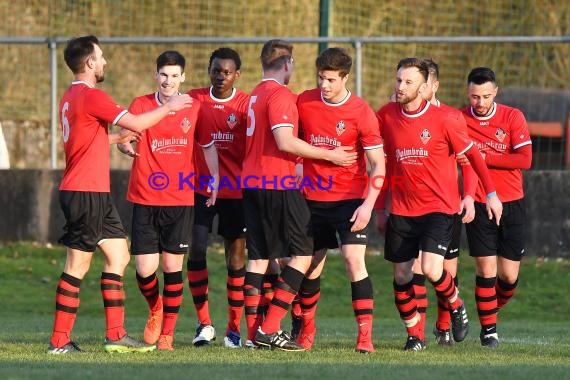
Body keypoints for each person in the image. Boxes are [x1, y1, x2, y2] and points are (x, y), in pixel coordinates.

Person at [48, 35, 192, 354]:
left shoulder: (71, 96)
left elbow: (86, 141)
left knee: (119, 256)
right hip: (84, 191)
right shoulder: (92, 96)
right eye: (100, 57)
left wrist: (116, 138)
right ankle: (59, 341)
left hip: (93, 192)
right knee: (77, 265)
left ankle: (115, 335)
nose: (104, 62)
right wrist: (169, 106)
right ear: (89, 63)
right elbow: (139, 120)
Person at [376, 57, 502, 351]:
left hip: (440, 209)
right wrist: (380, 207)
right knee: (402, 277)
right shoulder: (385, 116)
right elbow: (378, 162)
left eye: (408, 82)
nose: (400, 87)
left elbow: (473, 158)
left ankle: (456, 305)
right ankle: (414, 336)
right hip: (402, 209)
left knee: (432, 269)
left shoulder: (446, 118)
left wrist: (489, 194)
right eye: (398, 81)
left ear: (424, 87)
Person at [242, 39, 357, 351]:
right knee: (303, 254)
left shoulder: (254, 94)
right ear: (287, 65)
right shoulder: (280, 95)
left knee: (258, 259)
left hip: (250, 183)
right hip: (275, 183)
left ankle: (253, 335)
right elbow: (285, 142)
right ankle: (269, 328)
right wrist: (329, 155)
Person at [120, 50, 218, 351]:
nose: (168, 80)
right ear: (156, 74)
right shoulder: (141, 104)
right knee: (144, 269)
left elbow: (208, 145)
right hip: (145, 197)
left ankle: (167, 335)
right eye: (164, 74)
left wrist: (214, 178)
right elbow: (125, 135)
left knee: (172, 267)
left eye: (175, 76)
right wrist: (124, 147)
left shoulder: (195, 107)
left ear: (183, 78)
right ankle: (155, 308)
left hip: (179, 198)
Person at [293, 47, 385, 353]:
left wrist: (368, 205)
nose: (324, 85)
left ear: (345, 77)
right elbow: (291, 141)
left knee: (352, 260)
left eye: (331, 79)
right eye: (321, 77)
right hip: (311, 199)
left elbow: (378, 164)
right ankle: (306, 329)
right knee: (309, 266)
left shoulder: (361, 112)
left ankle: (364, 338)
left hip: (350, 200)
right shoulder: (304, 101)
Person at [461, 67, 532, 348]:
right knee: (486, 270)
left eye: (485, 96)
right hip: (478, 202)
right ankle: (489, 330)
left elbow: (524, 159)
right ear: (468, 93)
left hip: (511, 201)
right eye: (474, 97)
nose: (479, 103)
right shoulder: (459, 119)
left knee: (508, 276)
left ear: (496, 92)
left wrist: (482, 157)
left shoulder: (513, 117)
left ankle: (489, 309)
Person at [185, 47, 249, 348]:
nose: (220, 76)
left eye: (226, 72)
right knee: (196, 250)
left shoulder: (247, 104)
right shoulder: (193, 99)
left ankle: (234, 329)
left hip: (237, 191)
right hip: (199, 188)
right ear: (208, 71)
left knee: (236, 258)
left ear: (237, 74)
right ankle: (204, 324)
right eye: (215, 70)